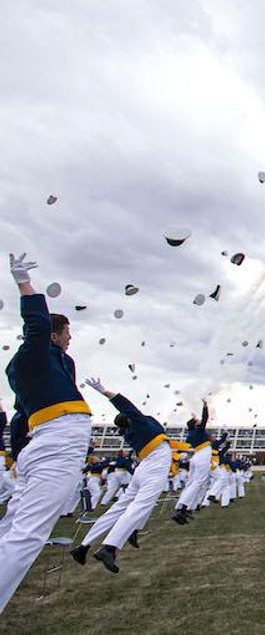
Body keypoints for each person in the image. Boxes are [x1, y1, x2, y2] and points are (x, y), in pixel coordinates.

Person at [0, 253, 95, 613]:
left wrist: (18, 459)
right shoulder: (31, 358)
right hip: (57, 442)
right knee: (28, 536)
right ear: (54, 335)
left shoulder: (53, 363)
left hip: (44, 444)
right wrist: (25, 284)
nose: (70, 338)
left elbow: (19, 421)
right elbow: (38, 326)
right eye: (66, 332)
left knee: (13, 527)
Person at [69, 378, 173, 572]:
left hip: (144, 466)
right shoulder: (140, 423)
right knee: (140, 506)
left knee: (118, 508)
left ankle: (83, 546)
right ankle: (110, 548)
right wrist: (103, 390)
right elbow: (125, 403)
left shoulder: (130, 432)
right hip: (155, 465)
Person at [172, 401, 211, 523]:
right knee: (197, 483)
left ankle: (183, 508)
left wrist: (194, 418)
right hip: (203, 456)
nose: (199, 421)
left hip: (196, 457)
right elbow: (205, 418)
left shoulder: (191, 433)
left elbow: (200, 421)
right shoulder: (198, 431)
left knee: (191, 483)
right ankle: (183, 507)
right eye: (197, 421)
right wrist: (205, 406)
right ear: (195, 425)